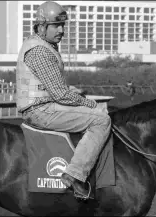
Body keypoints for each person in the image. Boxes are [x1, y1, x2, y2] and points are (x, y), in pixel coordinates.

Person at [15, 1, 111, 200]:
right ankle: (76, 175)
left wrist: (73, 91)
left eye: (63, 25)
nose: (61, 30)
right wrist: (91, 104)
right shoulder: (39, 50)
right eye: (56, 25)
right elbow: (60, 94)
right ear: (42, 26)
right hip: (41, 110)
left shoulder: (44, 45)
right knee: (101, 119)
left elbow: (54, 88)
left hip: (43, 105)